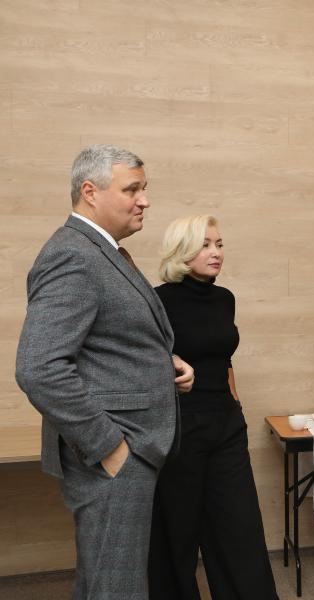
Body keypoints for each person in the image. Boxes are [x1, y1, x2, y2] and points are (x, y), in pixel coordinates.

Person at [15, 144, 194, 600]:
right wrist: (109, 448)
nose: (144, 200)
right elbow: (39, 367)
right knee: (117, 587)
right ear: (90, 192)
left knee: (106, 583)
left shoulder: (102, 250)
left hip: (127, 449)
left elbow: (106, 342)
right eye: (132, 189)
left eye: (144, 189)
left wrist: (164, 364)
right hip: (113, 454)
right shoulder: (73, 255)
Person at [148, 215, 277, 600]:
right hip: (180, 426)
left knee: (239, 527)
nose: (216, 252)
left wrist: (235, 403)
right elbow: (147, 362)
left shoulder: (225, 299)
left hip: (225, 424)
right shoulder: (158, 300)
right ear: (181, 250)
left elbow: (223, 357)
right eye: (205, 244)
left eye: (219, 244)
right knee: (178, 531)